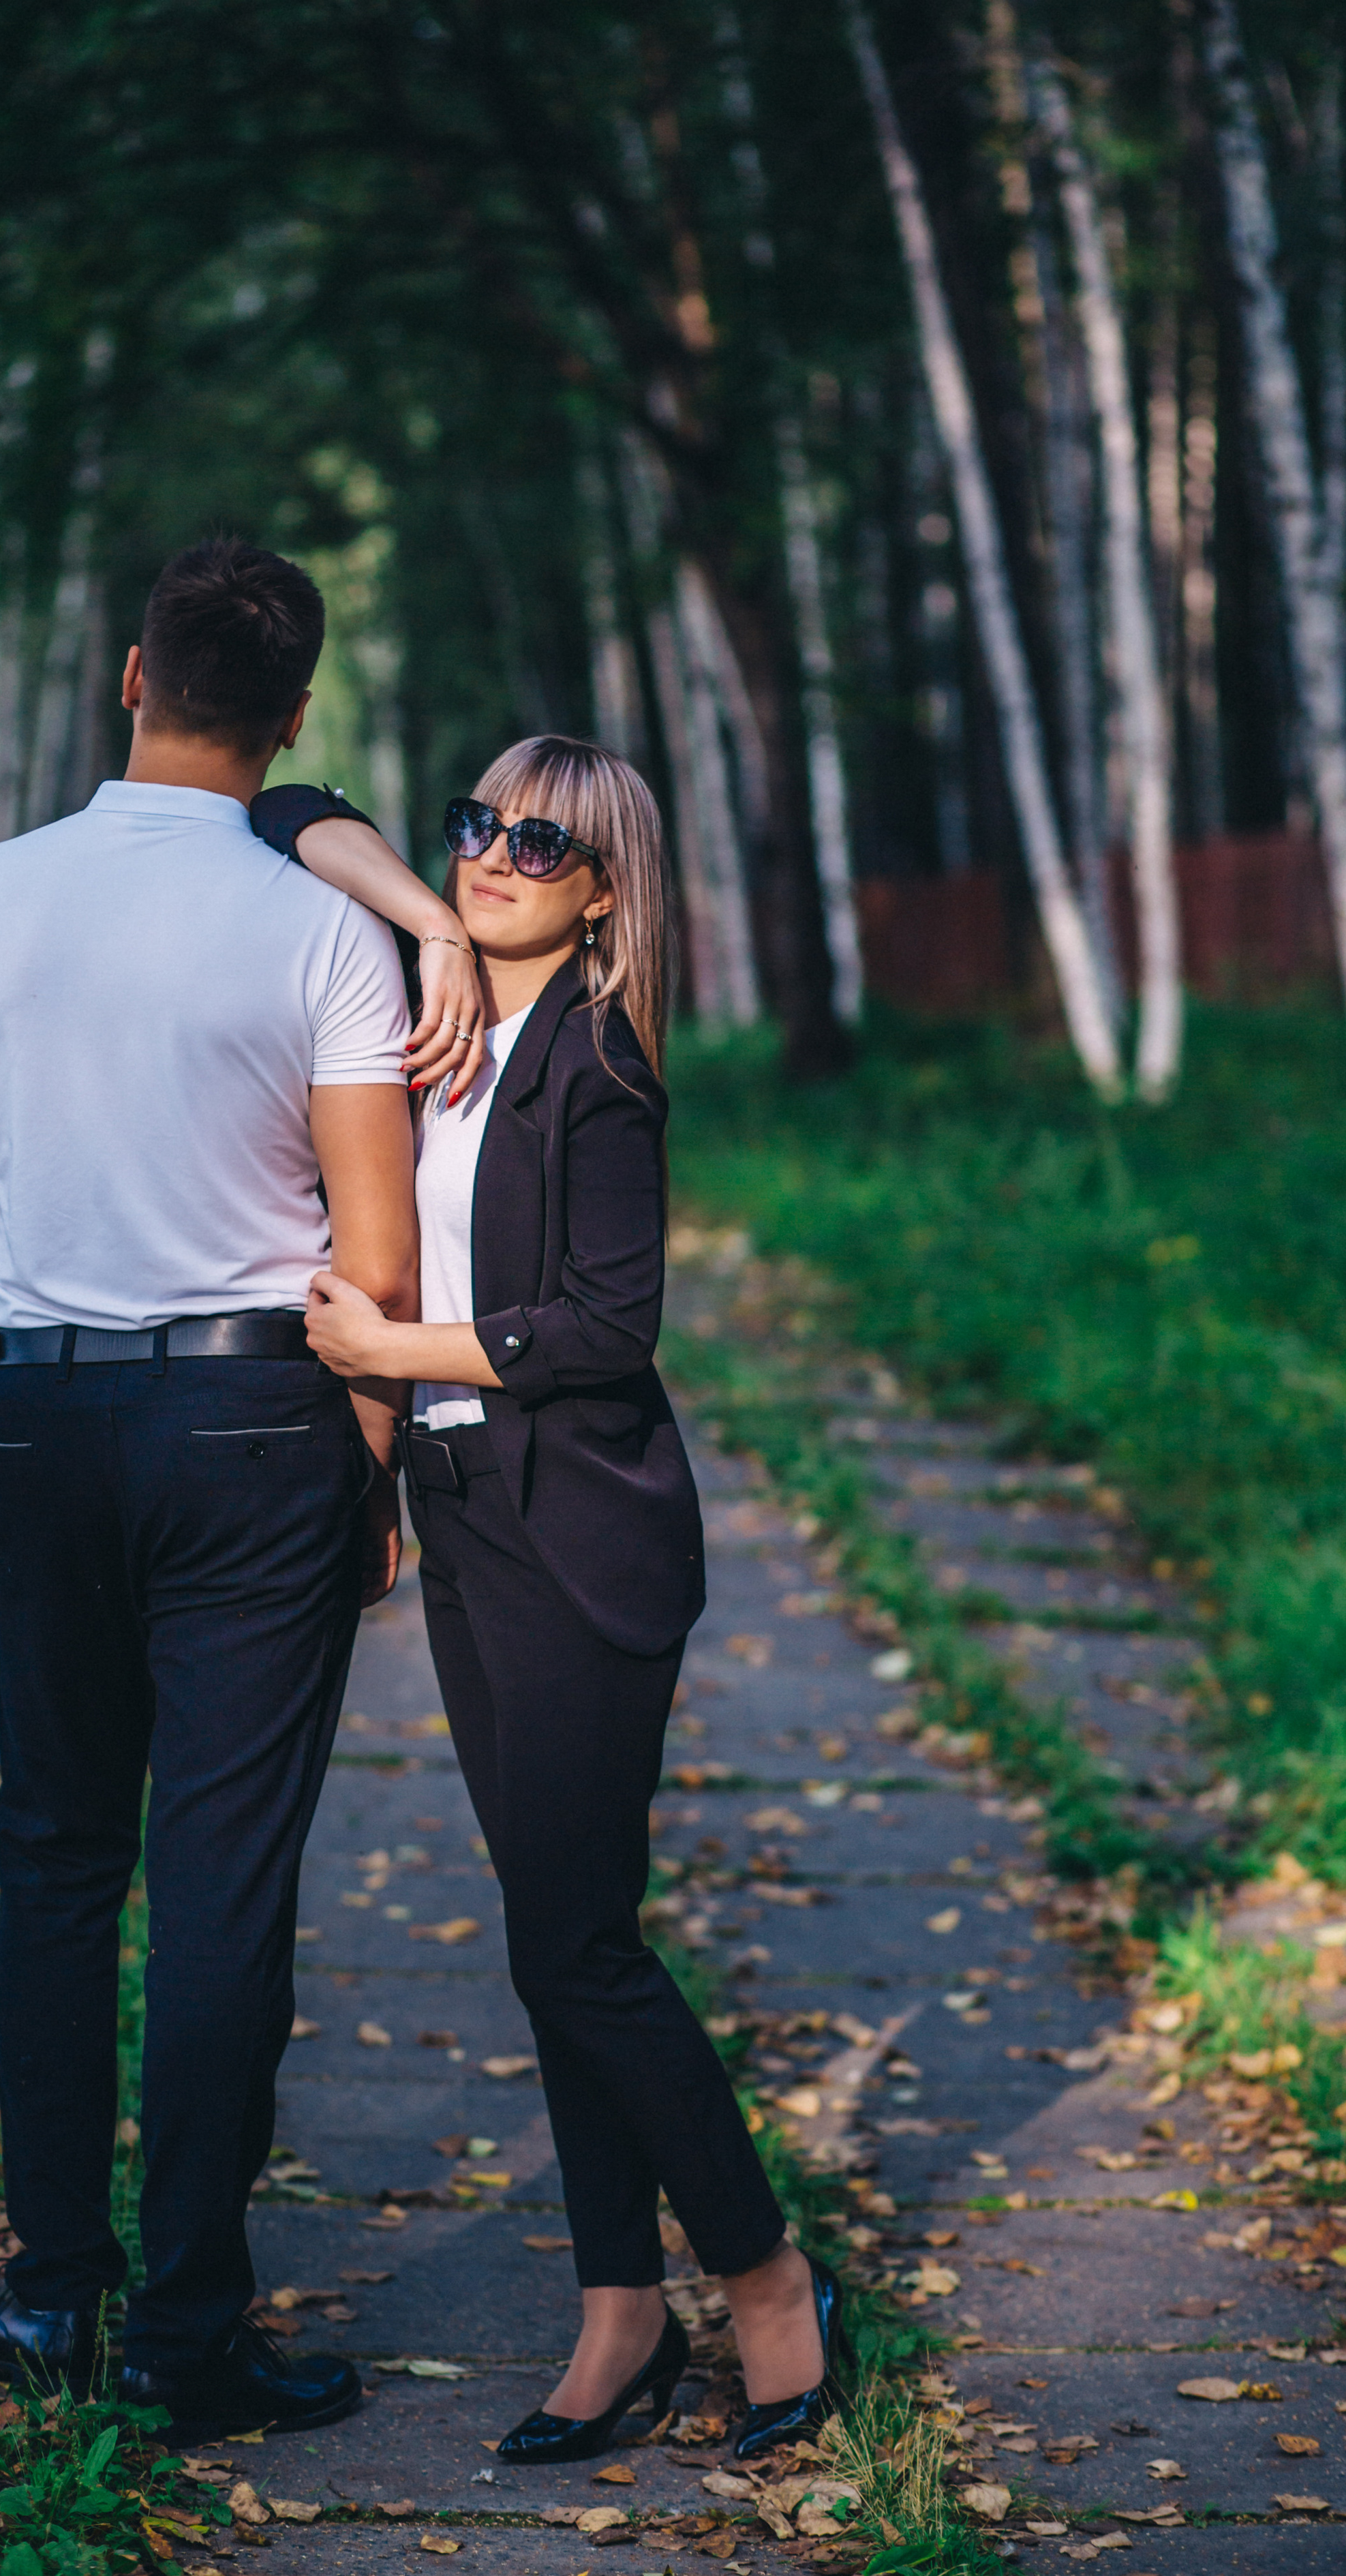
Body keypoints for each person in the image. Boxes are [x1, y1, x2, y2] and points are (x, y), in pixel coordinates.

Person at [0, 537, 466, 2442]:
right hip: (258, 1426)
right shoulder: (320, 935)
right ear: (289, 718)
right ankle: (188, 2332)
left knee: (58, 1857)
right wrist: (365, 1489)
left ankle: (49, 2297)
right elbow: (375, 1260)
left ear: (132, 678)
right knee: (223, 1878)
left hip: (51, 1417)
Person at [303, 735, 851, 2463]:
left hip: (581, 1543)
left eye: (538, 845)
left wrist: (390, 1350)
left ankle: (764, 2278)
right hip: (467, 1519)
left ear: (605, 892)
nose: (491, 856)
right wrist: (433, 929)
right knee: (559, 1932)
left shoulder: (601, 1066)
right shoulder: (446, 1003)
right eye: (476, 825)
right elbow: (282, 812)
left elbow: (610, 1327)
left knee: (575, 1944)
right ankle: (619, 2310)